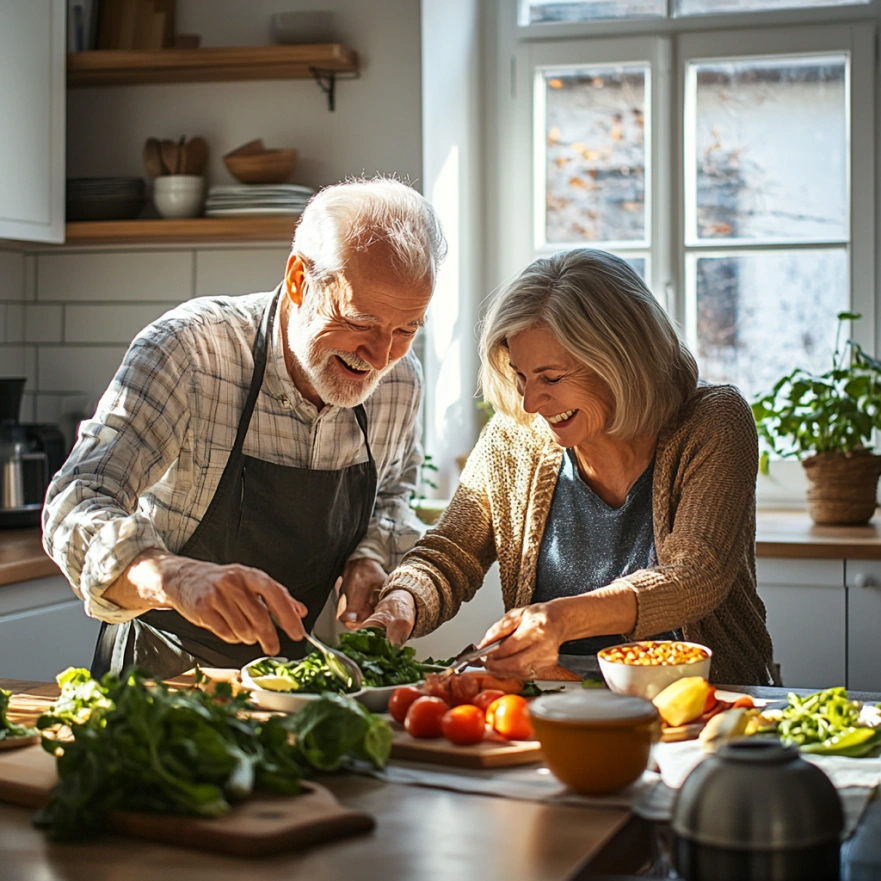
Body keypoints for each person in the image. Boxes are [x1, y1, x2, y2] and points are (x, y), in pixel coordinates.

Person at [43, 177, 447, 680]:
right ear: (299, 280)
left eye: (406, 329)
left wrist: (370, 557)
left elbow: (391, 495)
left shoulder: (399, 383)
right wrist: (170, 575)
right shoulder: (190, 351)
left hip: (295, 686)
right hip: (159, 683)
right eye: (362, 321)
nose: (381, 356)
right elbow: (74, 501)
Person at [365, 248, 775, 685]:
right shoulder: (514, 437)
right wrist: (404, 599)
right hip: (559, 702)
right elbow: (451, 553)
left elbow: (695, 575)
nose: (530, 402)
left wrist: (560, 619)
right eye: (521, 376)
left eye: (552, 378)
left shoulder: (713, 422)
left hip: (708, 700)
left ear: (622, 360)